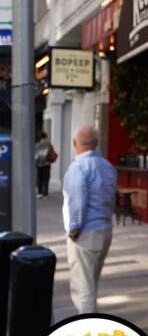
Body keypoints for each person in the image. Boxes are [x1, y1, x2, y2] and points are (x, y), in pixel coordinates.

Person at [62, 126, 117, 314]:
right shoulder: (107, 166)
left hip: (85, 233)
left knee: (83, 289)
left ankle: (87, 335)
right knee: (91, 283)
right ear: (96, 143)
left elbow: (76, 201)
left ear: (74, 142)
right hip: (104, 229)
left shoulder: (78, 167)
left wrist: (74, 230)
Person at [34, 131, 57, 198]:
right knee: (46, 179)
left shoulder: (36, 145)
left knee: (40, 178)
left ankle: (39, 193)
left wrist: (35, 163)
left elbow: (35, 156)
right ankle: (45, 194)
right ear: (45, 137)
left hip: (39, 164)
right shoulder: (48, 144)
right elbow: (52, 151)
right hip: (46, 163)